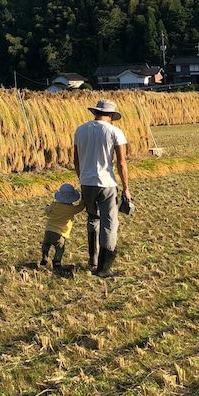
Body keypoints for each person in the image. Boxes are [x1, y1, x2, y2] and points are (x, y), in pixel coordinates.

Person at [74, 99, 131, 278]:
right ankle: (104, 268)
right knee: (109, 223)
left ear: (95, 113)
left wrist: (82, 179)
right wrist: (126, 188)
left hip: (86, 182)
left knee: (93, 218)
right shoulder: (115, 132)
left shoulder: (80, 130)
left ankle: (93, 259)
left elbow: (76, 160)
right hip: (106, 183)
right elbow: (121, 162)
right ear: (111, 116)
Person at [40, 183, 85, 272]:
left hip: (48, 231)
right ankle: (56, 262)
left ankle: (45, 257)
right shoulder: (71, 209)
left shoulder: (54, 205)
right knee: (60, 248)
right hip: (60, 234)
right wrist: (84, 200)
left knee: (46, 244)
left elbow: (47, 211)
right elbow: (80, 208)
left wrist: (47, 207)